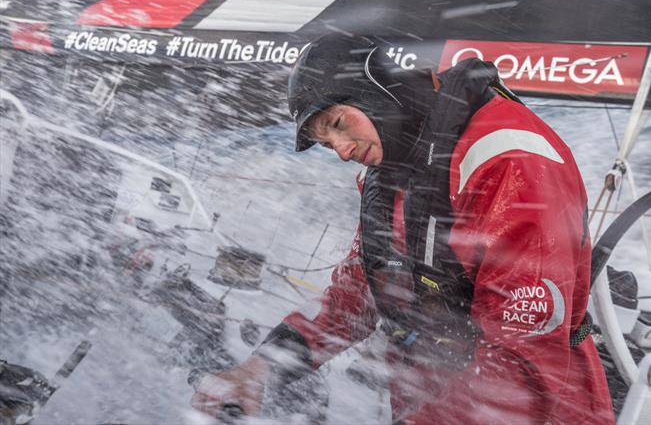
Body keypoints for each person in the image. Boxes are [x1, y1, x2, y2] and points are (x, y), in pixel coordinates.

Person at [191, 33, 614, 424]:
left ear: (380, 91)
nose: (341, 151)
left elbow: (522, 357)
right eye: (326, 144)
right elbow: (358, 293)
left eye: (338, 124)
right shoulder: (393, 167)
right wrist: (259, 370)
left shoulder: (510, 162)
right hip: (428, 398)